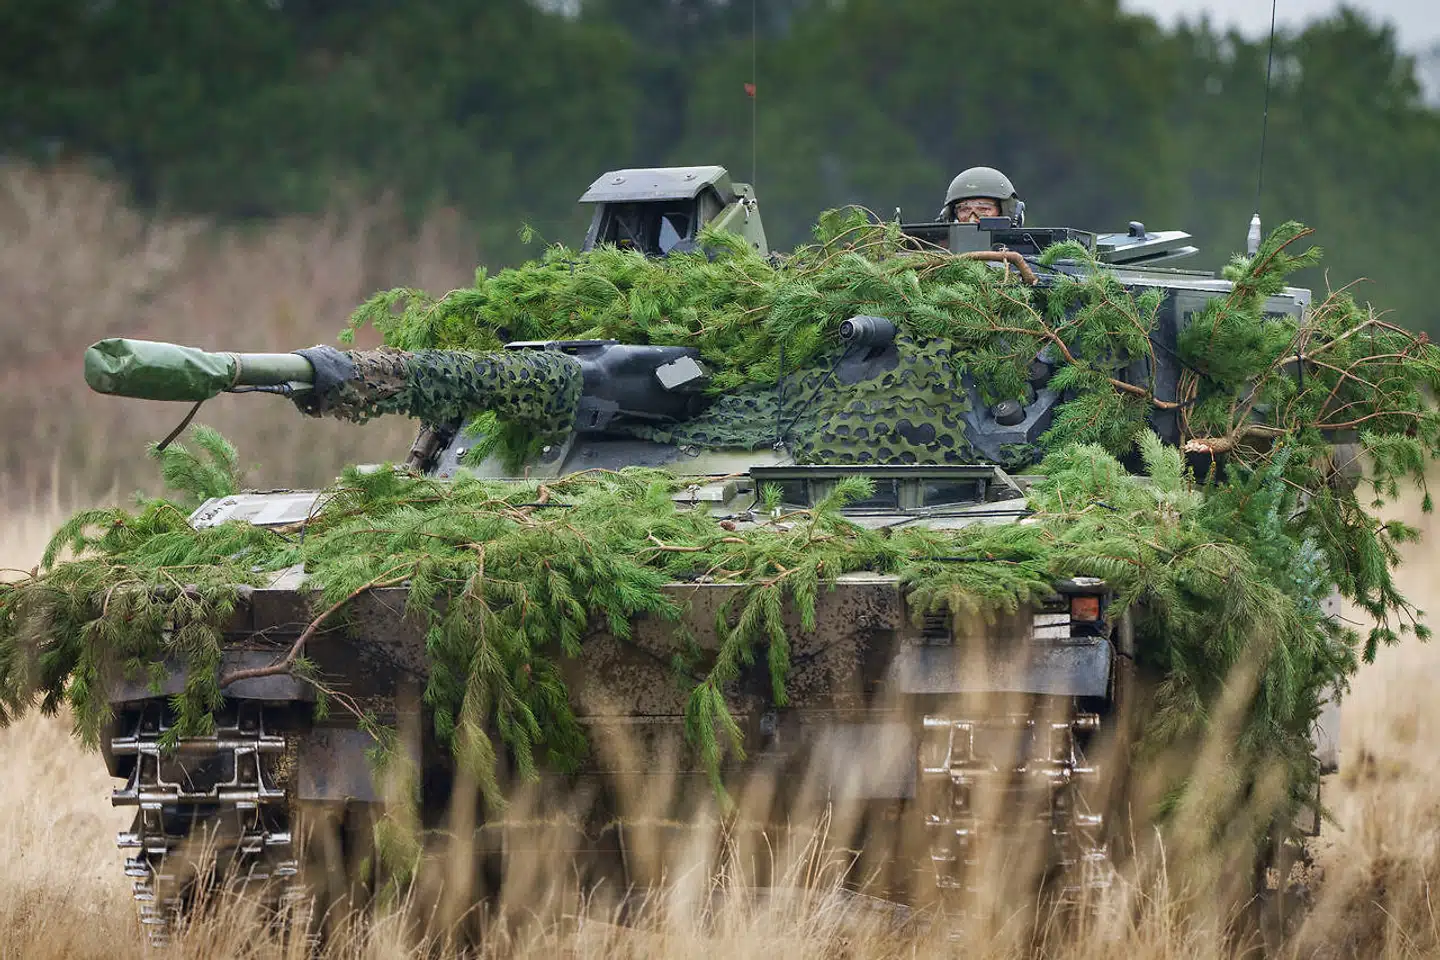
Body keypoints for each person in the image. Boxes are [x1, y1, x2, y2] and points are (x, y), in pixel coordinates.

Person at [941, 166, 1023, 224]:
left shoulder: (1028, 246)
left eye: (983, 209)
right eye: (964, 210)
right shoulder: (939, 247)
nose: (972, 220)